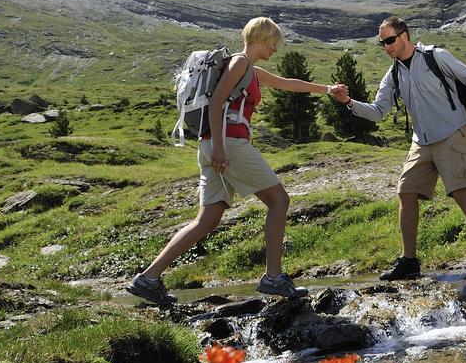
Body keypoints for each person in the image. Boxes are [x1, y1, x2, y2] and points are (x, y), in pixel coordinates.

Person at [127, 17, 347, 305]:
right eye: (273, 43)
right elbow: (217, 101)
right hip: (227, 144)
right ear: (261, 37)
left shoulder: (251, 70)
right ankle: (273, 277)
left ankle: (148, 278)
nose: (275, 49)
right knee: (279, 201)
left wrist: (328, 90)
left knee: (207, 220)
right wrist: (220, 146)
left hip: (211, 146)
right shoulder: (240, 63)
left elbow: (288, 84)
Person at [332, 16, 466, 280]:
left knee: (460, 190)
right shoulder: (393, 75)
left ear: (404, 36)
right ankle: (409, 261)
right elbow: (378, 112)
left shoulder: (436, 56)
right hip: (421, 141)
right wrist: (348, 102)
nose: (386, 47)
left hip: (453, 132)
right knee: (406, 192)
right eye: (382, 43)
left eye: (389, 40)